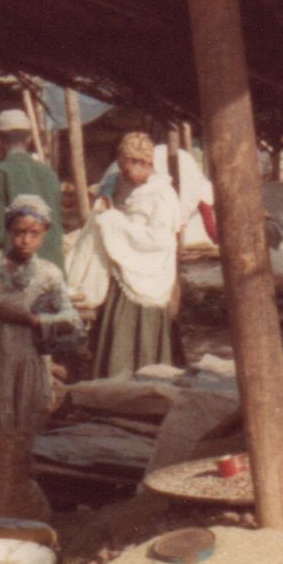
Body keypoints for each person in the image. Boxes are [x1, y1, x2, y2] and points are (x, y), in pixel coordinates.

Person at [0, 194, 83, 459]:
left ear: (44, 232)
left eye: (34, 233)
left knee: (24, 442)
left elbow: (72, 321)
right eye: (19, 232)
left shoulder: (49, 275)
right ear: (8, 230)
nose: (26, 239)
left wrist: (32, 319)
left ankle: (17, 495)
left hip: (28, 370)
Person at [89, 132, 183, 379]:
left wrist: (114, 221)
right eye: (130, 164)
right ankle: (114, 386)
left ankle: (144, 386)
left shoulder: (160, 193)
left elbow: (159, 240)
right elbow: (108, 187)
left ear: (150, 164)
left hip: (150, 274)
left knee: (142, 333)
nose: (134, 171)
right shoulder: (124, 183)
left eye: (142, 164)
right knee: (119, 329)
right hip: (126, 270)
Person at [0, 109, 65, 272]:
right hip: (55, 271)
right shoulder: (49, 173)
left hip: (23, 273)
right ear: (28, 139)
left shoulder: (0, 173)